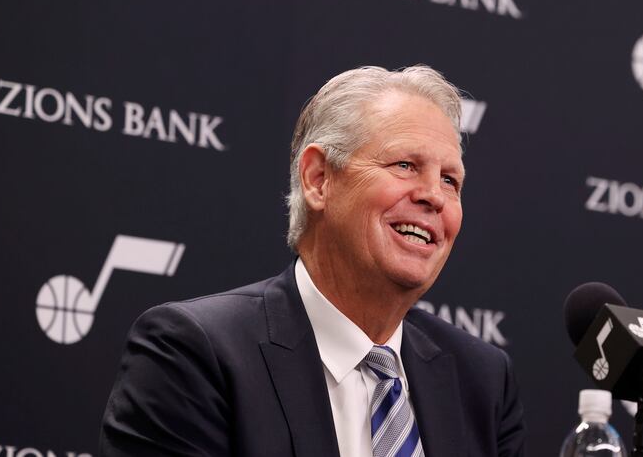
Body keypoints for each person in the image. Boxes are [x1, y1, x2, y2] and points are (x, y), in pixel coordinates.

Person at [99, 65, 526, 456]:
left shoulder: (482, 381)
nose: (434, 195)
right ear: (318, 179)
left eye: (450, 180)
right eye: (405, 165)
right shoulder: (195, 354)